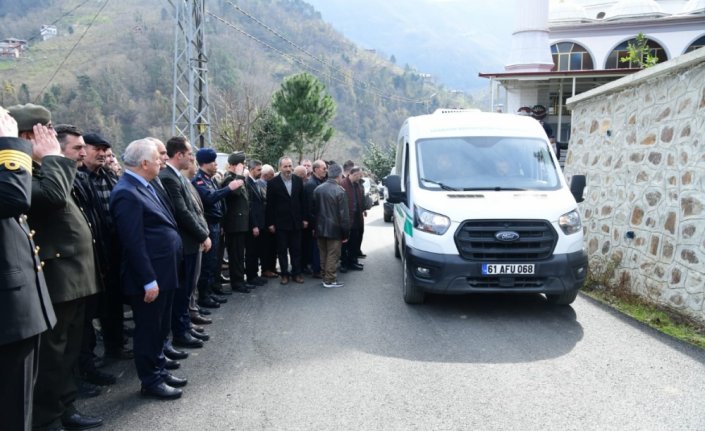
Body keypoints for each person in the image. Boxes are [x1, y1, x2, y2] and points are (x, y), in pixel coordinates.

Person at [9, 103, 103, 431]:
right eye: (44, 133)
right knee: (51, 357)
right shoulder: (22, 172)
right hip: (54, 278)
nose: (50, 138)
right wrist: (54, 157)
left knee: (67, 353)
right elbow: (51, 198)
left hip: (72, 278)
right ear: (25, 136)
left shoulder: (44, 168)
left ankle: (65, 407)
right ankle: (48, 419)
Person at [110, 138, 187, 400]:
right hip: (150, 277)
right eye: (157, 159)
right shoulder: (126, 192)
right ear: (144, 163)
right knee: (148, 330)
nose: (162, 161)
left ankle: (160, 369)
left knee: (160, 327)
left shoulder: (147, 185)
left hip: (164, 271)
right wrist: (148, 280)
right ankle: (150, 380)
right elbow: (133, 243)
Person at [0, 106, 57, 431]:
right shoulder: (11, 166)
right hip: (9, 316)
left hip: (18, 313)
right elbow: (13, 197)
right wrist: (10, 144)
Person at [80, 132, 130, 362]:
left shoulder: (109, 177)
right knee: (91, 310)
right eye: (96, 149)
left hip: (115, 247)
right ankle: (89, 361)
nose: (101, 154)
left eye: (105, 150)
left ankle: (115, 346)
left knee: (114, 301)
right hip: (94, 253)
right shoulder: (79, 178)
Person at [159, 137, 212, 351]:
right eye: (190, 153)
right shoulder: (168, 178)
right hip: (186, 242)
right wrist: (202, 235)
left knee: (188, 289)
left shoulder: (177, 177)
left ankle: (186, 326)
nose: (192, 157)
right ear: (179, 154)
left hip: (192, 242)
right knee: (182, 292)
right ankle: (181, 331)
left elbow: (193, 209)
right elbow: (183, 212)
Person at [192, 148, 242, 309]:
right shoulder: (199, 180)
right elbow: (210, 198)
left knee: (213, 261)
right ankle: (204, 295)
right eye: (213, 162)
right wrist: (229, 188)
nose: (216, 165)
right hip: (208, 223)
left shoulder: (211, 179)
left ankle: (211, 290)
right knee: (207, 262)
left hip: (216, 224)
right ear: (205, 163)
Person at [266, 156, 308, 285]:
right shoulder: (273, 183)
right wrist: (270, 223)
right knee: (282, 251)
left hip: (296, 222)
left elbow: (303, 201)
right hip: (281, 223)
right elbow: (270, 205)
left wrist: (305, 218)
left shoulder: (298, 180)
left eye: (290, 166)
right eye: (285, 166)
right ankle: (284, 274)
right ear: (280, 167)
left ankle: (297, 273)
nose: (288, 169)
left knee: (296, 250)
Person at [312, 163, 350, 288]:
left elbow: (313, 211)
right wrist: (346, 233)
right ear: (339, 175)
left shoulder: (318, 189)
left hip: (319, 228)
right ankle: (330, 280)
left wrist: (314, 227)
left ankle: (325, 277)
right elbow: (344, 217)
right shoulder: (340, 191)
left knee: (323, 254)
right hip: (334, 229)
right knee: (333, 255)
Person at [221, 151, 255, 293]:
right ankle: (237, 282)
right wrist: (240, 175)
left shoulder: (238, 178)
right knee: (235, 255)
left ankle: (241, 280)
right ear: (236, 165)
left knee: (240, 255)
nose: (245, 166)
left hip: (241, 224)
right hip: (234, 225)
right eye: (243, 164)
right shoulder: (229, 179)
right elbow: (234, 193)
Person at [244, 159, 269, 287]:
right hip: (253, 225)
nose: (261, 172)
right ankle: (251, 276)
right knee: (251, 252)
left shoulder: (256, 183)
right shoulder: (247, 184)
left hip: (260, 223)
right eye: (258, 170)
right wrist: (254, 225)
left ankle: (255, 275)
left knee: (257, 251)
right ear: (251, 169)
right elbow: (250, 208)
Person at [303, 160, 328, 278]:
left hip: (320, 222)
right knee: (316, 248)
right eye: (323, 168)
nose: (325, 170)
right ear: (316, 169)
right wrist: (314, 226)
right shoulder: (311, 184)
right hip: (315, 223)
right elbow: (309, 208)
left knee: (320, 247)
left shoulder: (320, 182)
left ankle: (319, 268)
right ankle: (316, 270)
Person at [340, 166, 366, 273]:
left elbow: (360, 199)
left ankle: (353, 261)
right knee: (345, 243)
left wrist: (363, 209)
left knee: (354, 241)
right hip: (346, 219)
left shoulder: (358, 185)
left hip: (356, 218)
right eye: (357, 175)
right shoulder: (343, 184)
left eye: (360, 175)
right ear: (351, 174)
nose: (359, 177)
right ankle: (344, 264)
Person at [258, 164, 278, 279]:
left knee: (272, 247)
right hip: (265, 222)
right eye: (272, 175)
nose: (273, 177)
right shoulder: (261, 185)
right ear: (266, 176)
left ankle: (272, 267)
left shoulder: (267, 184)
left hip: (270, 220)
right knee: (266, 247)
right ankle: (266, 269)